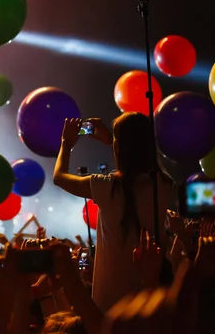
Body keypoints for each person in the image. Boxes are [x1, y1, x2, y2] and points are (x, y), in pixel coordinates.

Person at [53, 113, 175, 312]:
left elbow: (59, 177)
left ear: (119, 148)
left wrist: (66, 144)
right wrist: (113, 141)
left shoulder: (107, 186)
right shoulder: (163, 184)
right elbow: (142, 162)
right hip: (152, 299)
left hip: (110, 304)